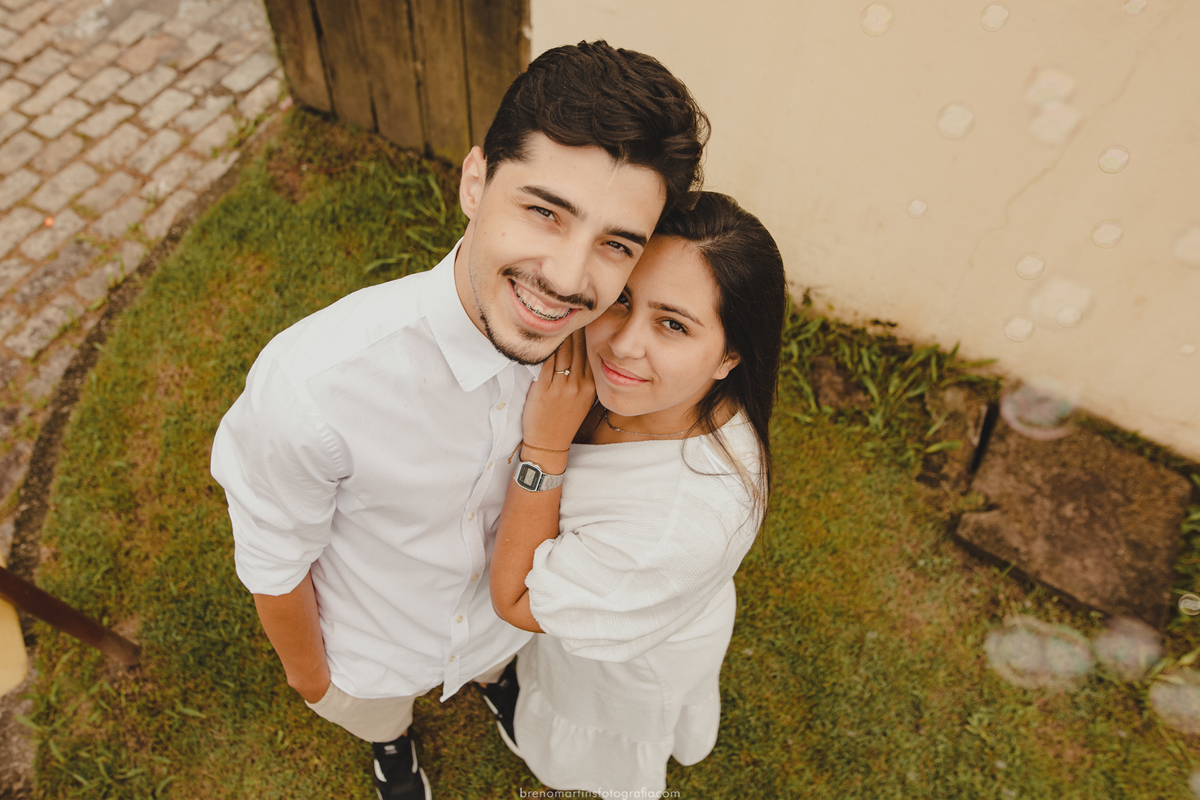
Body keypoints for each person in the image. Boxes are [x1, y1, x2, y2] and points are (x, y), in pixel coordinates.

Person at [210, 41, 708, 800]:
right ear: (476, 181)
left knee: (494, 661)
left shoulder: (608, 360)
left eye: (615, 244)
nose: (567, 280)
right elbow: (275, 563)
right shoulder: (313, 389)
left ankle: (492, 679)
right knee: (379, 715)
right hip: (374, 654)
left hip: (501, 628)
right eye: (545, 212)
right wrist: (316, 682)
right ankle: (390, 742)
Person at [489, 192, 787, 797]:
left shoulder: (678, 526)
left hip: (623, 656)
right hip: (630, 595)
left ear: (730, 354)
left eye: (673, 324)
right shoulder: (648, 383)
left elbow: (517, 600)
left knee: (591, 729)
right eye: (623, 298)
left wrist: (544, 448)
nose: (622, 344)